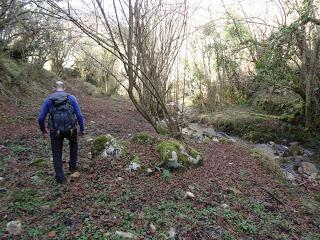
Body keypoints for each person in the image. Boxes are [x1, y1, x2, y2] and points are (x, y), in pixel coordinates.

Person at [38, 81, 84, 183]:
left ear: (54, 88)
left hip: (55, 130)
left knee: (57, 152)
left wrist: (43, 129)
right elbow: (79, 115)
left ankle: (60, 177)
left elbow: (41, 118)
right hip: (71, 129)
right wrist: (82, 129)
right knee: (73, 144)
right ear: (64, 87)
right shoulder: (71, 98)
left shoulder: (49, 99)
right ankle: (72, 167)